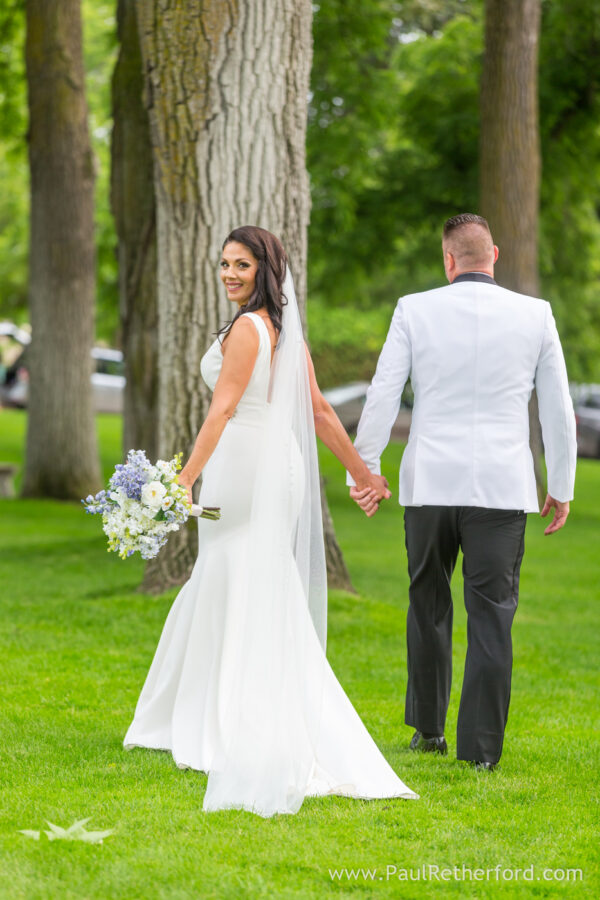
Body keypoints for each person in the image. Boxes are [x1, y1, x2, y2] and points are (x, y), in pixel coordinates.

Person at [123, 225, 418, 816]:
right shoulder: (281, 331)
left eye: (242, 265)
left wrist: (184, 479)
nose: (229, 274)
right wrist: (363, 475)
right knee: (247, 575)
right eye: (224, 264)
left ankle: (225, 718)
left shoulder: (247, 330)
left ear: (265, 269)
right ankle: (236, 707)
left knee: (231, 569)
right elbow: (320, 411)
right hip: (277, 463)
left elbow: (224, 408)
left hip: (244, 463)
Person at [348, 213, 577, 770]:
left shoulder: (414, 308)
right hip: (501, 487)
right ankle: (481, 752)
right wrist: (561, 485)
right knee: (492, 613)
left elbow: (383, 391)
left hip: (430, 482)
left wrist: (366, 470)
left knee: (427, 603)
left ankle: (429, 731)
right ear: (494, 255)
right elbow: (557, 408)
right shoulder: (536, 314)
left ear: (448, 260)